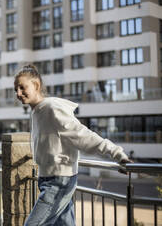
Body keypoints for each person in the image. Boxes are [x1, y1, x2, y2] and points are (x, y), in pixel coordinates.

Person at [14, 65, 130, 226]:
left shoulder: (52, 108)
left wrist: (116, 152)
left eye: (22, 87)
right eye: (16, 89)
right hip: (48, 179)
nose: (18, 93)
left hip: (59, 181)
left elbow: (82, 135)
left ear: (36, 85)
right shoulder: (36, 112)